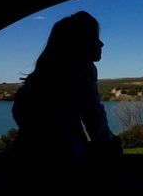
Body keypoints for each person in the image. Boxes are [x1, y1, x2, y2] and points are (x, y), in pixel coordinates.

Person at [10, 11, 122, 185]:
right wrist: (108, 141)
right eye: (94, 37)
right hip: (60, 162)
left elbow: (19, 112)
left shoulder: (42, 76)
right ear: (80, 42)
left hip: (23, 156)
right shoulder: (82, 68)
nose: (101, 43)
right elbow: (93, 116)